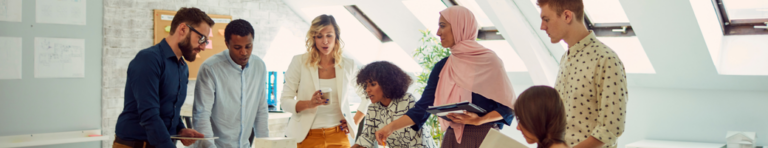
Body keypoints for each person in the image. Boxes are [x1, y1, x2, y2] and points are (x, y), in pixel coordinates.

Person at [374, 6, 517, 148]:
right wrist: (390, 128)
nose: (437, 32)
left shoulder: (489, 61)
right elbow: (423, 107)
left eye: (442, 26)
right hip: (452, 138)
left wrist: (480, 120)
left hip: (484, 137)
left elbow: (509, 108)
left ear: (460, 27)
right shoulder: (442, 67)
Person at [114, 7, 214, 148]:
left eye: (206, 41)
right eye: (201, 38)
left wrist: (180, 129)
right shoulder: (148, 59)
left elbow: (169, 108)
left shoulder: (182, 67)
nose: (203, 47)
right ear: (183, 29)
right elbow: (149, 115)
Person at [535, 0, 628, 147]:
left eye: (546, 19)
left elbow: (611, 129)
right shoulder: (565, 58)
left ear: (567, 16)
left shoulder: (606, 60)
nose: (542, 27)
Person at [280, 14, 369, 148]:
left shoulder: (348, 65)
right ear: (314, 38)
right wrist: (309, 103)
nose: (325, 41)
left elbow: (367, 96)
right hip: (306, 137)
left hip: (338, 136)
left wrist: (353, 122)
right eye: (319, 36)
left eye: (329, 35)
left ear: (336, 37)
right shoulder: (299, 62)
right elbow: (285, 101)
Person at [191, 19, 269, 148]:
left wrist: (266, 145)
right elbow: (201, 115)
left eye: (248, 46)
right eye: (237, 47)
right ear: (227, 44)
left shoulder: (259, 66)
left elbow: (261, 111)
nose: (244, 52)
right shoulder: (210, 68)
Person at [351, 61, 437, 148]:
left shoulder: (407, 100)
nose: (367, 90)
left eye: (373, 84)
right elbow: (366, 138)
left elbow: (413, 139)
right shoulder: (372, 108)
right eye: (366, 86)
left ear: (386, 83)